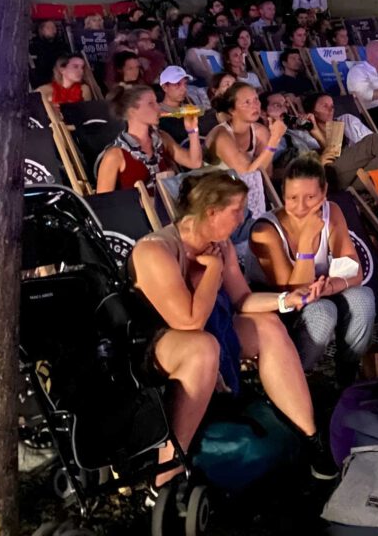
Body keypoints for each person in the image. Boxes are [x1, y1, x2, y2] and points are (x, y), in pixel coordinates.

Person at [129, 170, 338, 483]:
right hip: (149, 344)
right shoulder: (156, 250)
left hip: (197, 334)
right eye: (237, 210)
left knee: (267, 326)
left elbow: (241, 299)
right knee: (203, 347)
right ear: (211, 213)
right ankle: (168, 472)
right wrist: (212, 270)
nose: (244, 217)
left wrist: (287, 300)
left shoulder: (219, 243)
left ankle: (309, 437)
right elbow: (188, 321)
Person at [249, 156, 375, 385]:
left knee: (363, 298)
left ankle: (346, 378)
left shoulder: (332, 211)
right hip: (280, 308)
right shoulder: (265, 231)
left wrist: (331, 286)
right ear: (282, 194)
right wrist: (306, 243)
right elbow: (294, 294)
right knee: (323, 312)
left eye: (310, 198)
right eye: (292, 198)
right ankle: (291, 382)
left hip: (317, 294)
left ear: (324, 191)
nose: (300, 207)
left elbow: (354, 270)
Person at [95, 84, 202, 193]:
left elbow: (195, 163)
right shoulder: (115, 155)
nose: (158, 107)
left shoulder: (162, 138)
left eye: (156, 102)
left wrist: (192, 130)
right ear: (132, 111)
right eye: (151, 104)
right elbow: (104, 203)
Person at [206, 83, 283, 223]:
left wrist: (271, 142)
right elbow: (247, 175)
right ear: (232, 110)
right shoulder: (221, 135)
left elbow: (266, 174)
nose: (255, 106)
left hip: (248, 195)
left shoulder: (260, 132)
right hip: (219, 197)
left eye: (256, 100)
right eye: (247, 102)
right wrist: (274, 141)